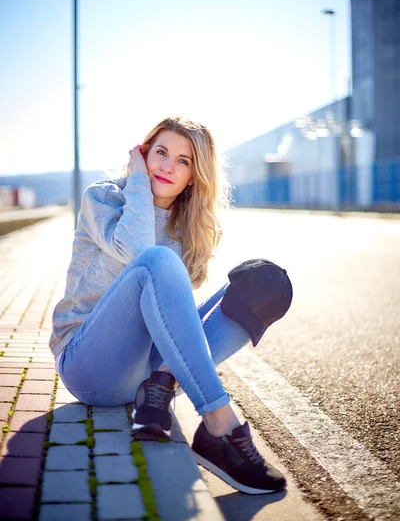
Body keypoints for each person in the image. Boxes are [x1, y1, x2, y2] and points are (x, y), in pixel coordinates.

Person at [49, 116, 293, 495]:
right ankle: (220, 423)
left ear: (194, 176)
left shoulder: (186, 224)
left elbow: (168, 318)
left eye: (183, 160)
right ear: (142, 155)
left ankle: (162, 386)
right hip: (87, 365)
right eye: (160, 153)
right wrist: (138, 186)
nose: (167, 166)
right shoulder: (105, 197)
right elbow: (137, 252)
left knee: (266, 281)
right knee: (158, 260)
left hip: (146, 373)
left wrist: (164, 367)